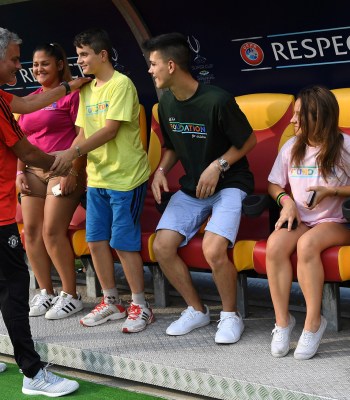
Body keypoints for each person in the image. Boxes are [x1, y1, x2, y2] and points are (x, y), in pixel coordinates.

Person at [142, 32, 256, 344]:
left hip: (230, 184)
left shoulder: (217, 99)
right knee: (161, 246)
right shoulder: (164, 103)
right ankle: (197, 310)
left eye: (153, 64)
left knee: (213, 248)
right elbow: (171, 147)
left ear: (170, 65)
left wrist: (218, 165)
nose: (150, 71)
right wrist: (160, 171)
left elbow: (248, 141)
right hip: (193, 189)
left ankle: (231, 316)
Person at [0, 27, 90, 395]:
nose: (19, 66)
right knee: (16, 290)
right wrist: (65, 164)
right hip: (1, 212)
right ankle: (33, 373)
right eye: (13, 59)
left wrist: (70, 87)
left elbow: (28, 104)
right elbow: (28, 152)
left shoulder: (5, 97)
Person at [55, 28, 153, 333]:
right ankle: (112, 301)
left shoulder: (122, 84)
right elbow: (83, 131)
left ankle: (141, 305)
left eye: (84, 54)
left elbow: (110, 130)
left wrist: (71, 153)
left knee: (123, 243)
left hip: (126, 177)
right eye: (78, 54)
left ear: (102, 55)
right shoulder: (86, 89)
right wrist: (72, 157)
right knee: (95, 240)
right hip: (97, 178)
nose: (80, 60)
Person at [266, 85, 350, 360]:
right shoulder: (291, 147)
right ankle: (282, 322)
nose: (292, 121)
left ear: (320, 116)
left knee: (307, 244)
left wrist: (332, 191)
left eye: (299, 115)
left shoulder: (344, 145)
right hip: (302, 217)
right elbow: (273, 183)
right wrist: (286, 202)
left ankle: (313, 322)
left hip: (337, 221)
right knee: (275, 245)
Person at [17, 43, 86, 320]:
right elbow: (21, 141)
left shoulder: (73, 95)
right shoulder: (32, 99)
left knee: (51, 231)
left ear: (59, 64)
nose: (38, 69)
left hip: (63, 168)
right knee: (30, 232)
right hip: (32, 170)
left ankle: (71, 295)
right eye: (34, 65)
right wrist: (20, 172)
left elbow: (83, 137)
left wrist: (73, 172)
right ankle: (46, 291)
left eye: (44, 63)